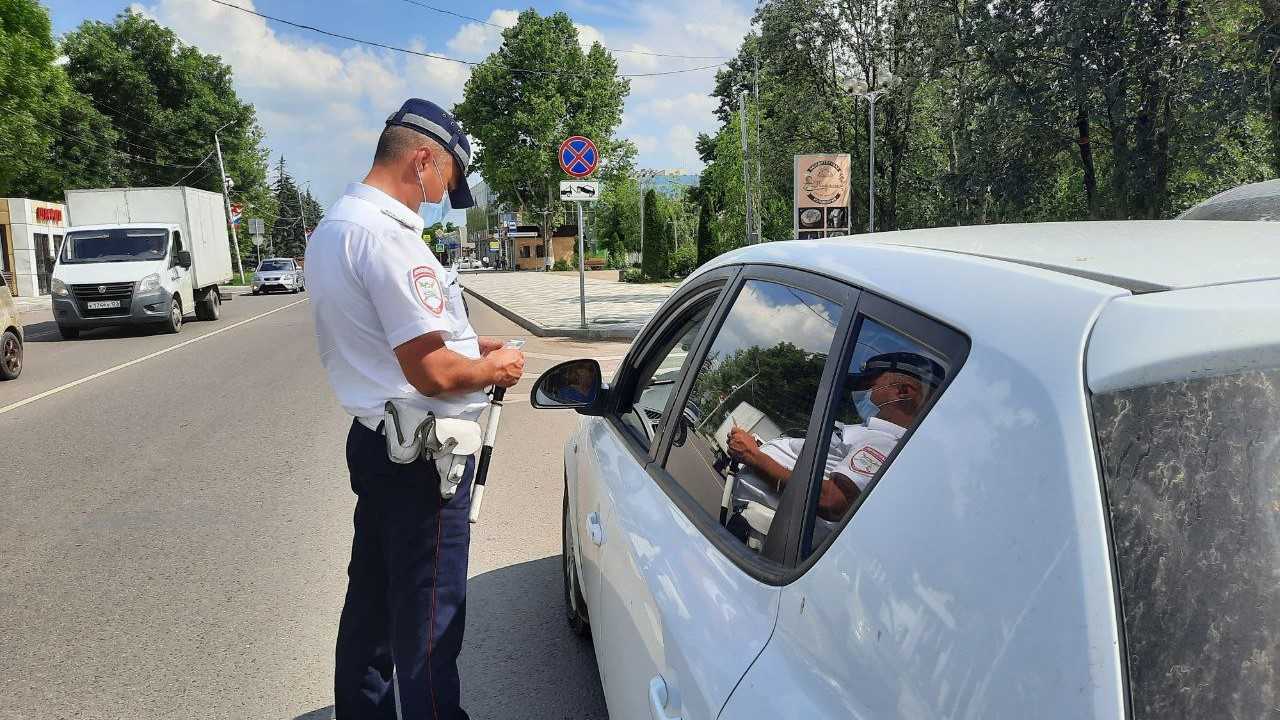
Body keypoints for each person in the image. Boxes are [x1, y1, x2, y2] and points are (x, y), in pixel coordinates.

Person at [305, 98, 525, 720]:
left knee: (371, 609)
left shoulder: (336, 228)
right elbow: (430, 373)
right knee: (431, 624)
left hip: (378, 444)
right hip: (421, 460)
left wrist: (465, 344)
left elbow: (393, 338)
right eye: (443, 183)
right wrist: (495, 367)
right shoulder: (389, 238)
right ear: (422, 159)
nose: (435, 198)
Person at [727, 351, 940, 521]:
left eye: (869, 385)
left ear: (903, 391)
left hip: (761, 535)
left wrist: (753, 456)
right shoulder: (873, 434)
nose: (859, 393)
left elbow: (831, 501)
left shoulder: (885, 443)